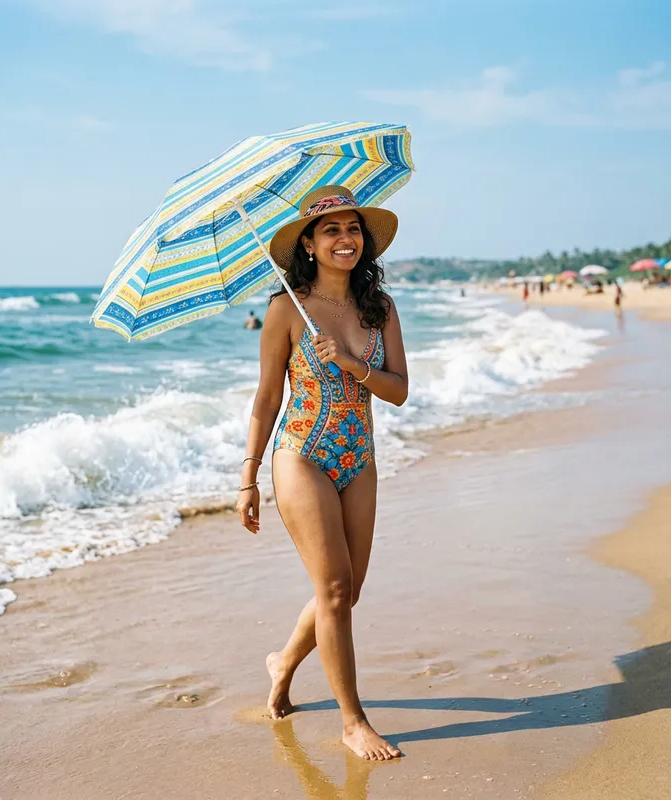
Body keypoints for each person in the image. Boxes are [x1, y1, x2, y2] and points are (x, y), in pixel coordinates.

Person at [236, 185, 408, 761]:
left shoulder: (379, 310)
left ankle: (283, 662)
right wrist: (248, 477)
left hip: (358, 457)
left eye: (352, 228)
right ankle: (352, 721)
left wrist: (354, 364)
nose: (344, 239)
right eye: (330, 230)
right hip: (300, 454)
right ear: (307, 244)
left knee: (348, 591)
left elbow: (400, 392)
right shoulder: (287, 310)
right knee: (333, 589)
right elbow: (264, 399)